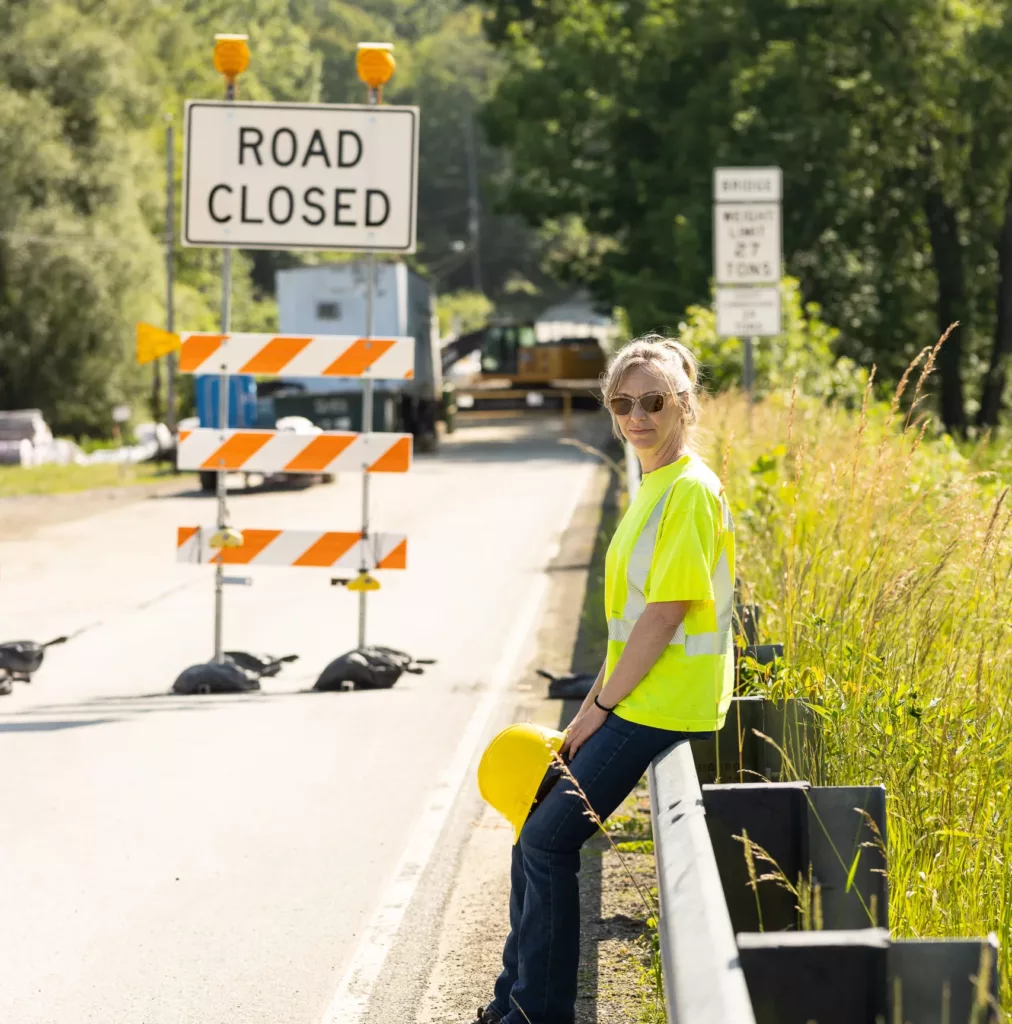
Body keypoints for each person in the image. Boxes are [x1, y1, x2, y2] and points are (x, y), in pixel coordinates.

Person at [467, 334, 736, 1024]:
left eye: (655, 400)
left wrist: (600, 710)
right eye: (624, 402)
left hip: (667, 703)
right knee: (533, 823)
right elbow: (624, 630)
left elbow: (666, 615)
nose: (637, 414)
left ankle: (538, 1013)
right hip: (638, 695)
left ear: (685, 403)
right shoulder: (650, 484)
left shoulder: (690, 490)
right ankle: (511, 1004)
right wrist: (592, 703)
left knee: (549, 840)